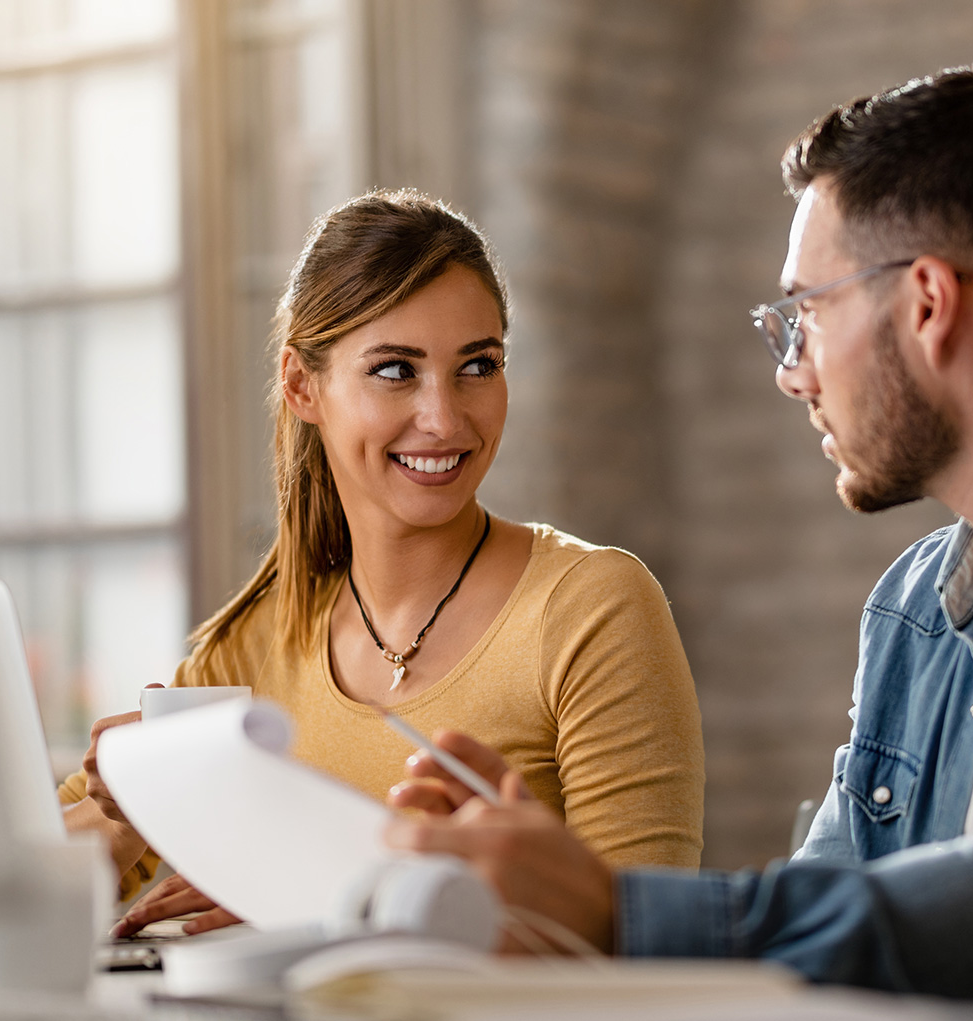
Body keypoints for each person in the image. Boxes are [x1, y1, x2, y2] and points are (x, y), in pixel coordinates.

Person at [387, 70, 973, 1011]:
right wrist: (552, 913)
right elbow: (820, 940)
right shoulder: (914, 606)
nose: (793, 374)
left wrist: (619, 914)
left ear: (926, 304)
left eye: (807, 313)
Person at [60, 191, 706, 933]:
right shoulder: (250, 647)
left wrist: (302, 903)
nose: (445, 418)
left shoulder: (592, 607)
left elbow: (646, 940)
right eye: (397, 370)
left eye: (478, 365)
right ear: (304, 386)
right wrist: (139, 804)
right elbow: (26, 880)